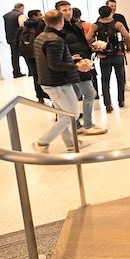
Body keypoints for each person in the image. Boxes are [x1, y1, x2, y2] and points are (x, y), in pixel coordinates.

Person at [33, 9, 93, 152]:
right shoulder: (55, 40)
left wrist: (69, 59)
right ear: (61, 22)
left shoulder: (41, 36)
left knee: (63, 114)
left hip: (49, 81)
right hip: (58, 83)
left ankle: (71, 143)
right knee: (72, 115)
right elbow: (55, 65)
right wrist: (78, 66)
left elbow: (50, 60)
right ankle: (42, 141)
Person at [56, 1, 107, 136]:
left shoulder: (74, 25)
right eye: (64, 10)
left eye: (69, 9)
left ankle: (77, 125)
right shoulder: (61, 28)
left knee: (75, 96)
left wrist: (91, 48)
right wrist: (73, 59)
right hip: (77, 66)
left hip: (82, 63)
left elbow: (80, 44)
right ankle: (88, 125)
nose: (68, 12)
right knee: (90, 93)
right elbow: (62, 49)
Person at [87, 6, 130, 112]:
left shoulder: (95, 26)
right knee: (120, 78)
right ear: (111, 13)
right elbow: (126, 36)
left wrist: (96, 47)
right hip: (118, 55)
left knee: (105, 79)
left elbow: (88, 38)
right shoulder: (117, 24)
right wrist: (128, 47)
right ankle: (121, 101)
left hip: (104, 56)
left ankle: (107, 104)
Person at [16, 9, 48, 103]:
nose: (42, 15)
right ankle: (49, 95)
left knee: (35, 75)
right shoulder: (42, 25)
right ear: (34, 16)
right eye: (40, 14)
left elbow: (16, 41)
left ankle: (40, 97)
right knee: (45, 74)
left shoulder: (22, 27)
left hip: (28, 55)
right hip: (41, 54)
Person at [106, 0, 130, 92]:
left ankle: (123, 84)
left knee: (120, 67)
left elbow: (126, 30)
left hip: (119, 45)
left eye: (115, 6)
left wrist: (126, 43)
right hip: (106, 47)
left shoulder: (120, 17)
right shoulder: (101, 18)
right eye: (111, 6)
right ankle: (106, 88)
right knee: (106, 70)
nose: (113, 8)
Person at [3, 2, 27, 77]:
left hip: (10, 38)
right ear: (21, 8)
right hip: (19, 38)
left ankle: (16, 72)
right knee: (26, 53)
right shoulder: (20, 15)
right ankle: (30, 71)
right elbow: (23, 27)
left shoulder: (6, 16)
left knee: (14, 56)